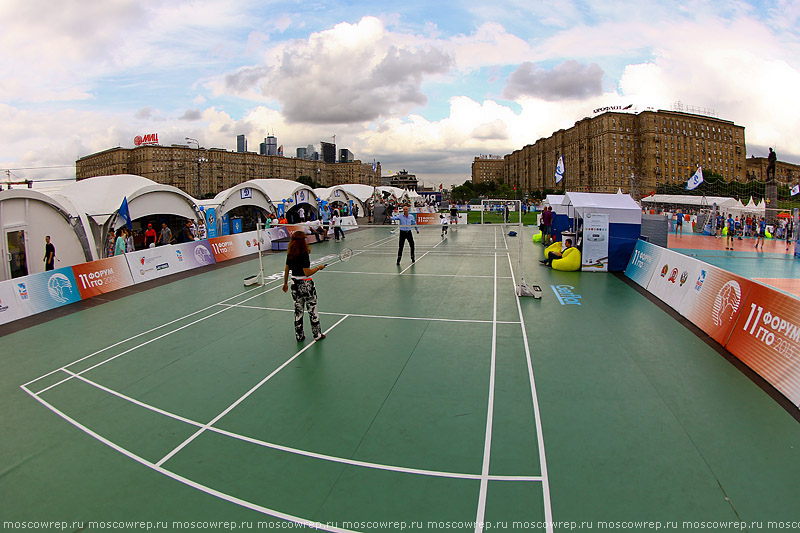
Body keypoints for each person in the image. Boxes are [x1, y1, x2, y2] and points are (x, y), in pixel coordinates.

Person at [282, 230, 326, 342]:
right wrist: (318, 268)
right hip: (306, 284)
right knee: (312, 310)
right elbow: (307, 272)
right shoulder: (304, 254)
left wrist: (285, 283)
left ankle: (299, 335)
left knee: (298, 310)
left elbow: (287, 269)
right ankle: (317, 334)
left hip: (294, 284)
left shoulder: (290, 253)